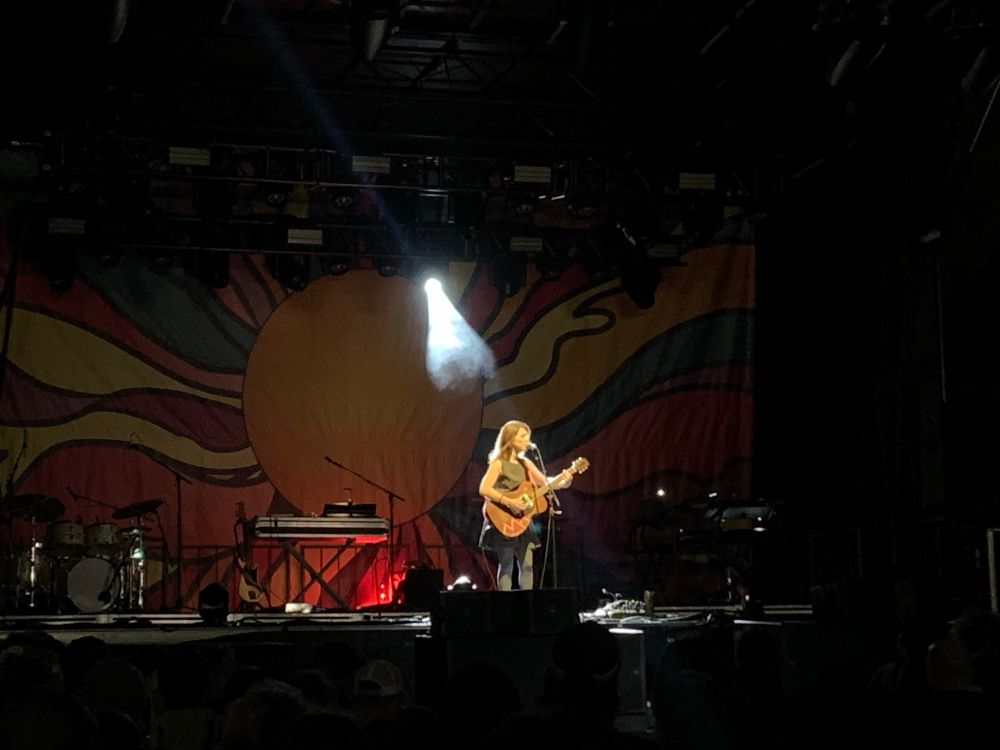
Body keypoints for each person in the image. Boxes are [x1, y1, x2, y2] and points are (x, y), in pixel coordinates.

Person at [478, 420, 573, 591]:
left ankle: (526, 603)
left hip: (522, 521)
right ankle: (506, 606)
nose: (527, 440)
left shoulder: (526, 463)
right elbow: (484, 489)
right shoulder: (498, 464)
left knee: (527, 565)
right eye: (522, 436)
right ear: (510, 439)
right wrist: (510, 502)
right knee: (507, 564)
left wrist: (563, 480)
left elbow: (545, 483)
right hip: (503, 519)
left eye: (527, 436)